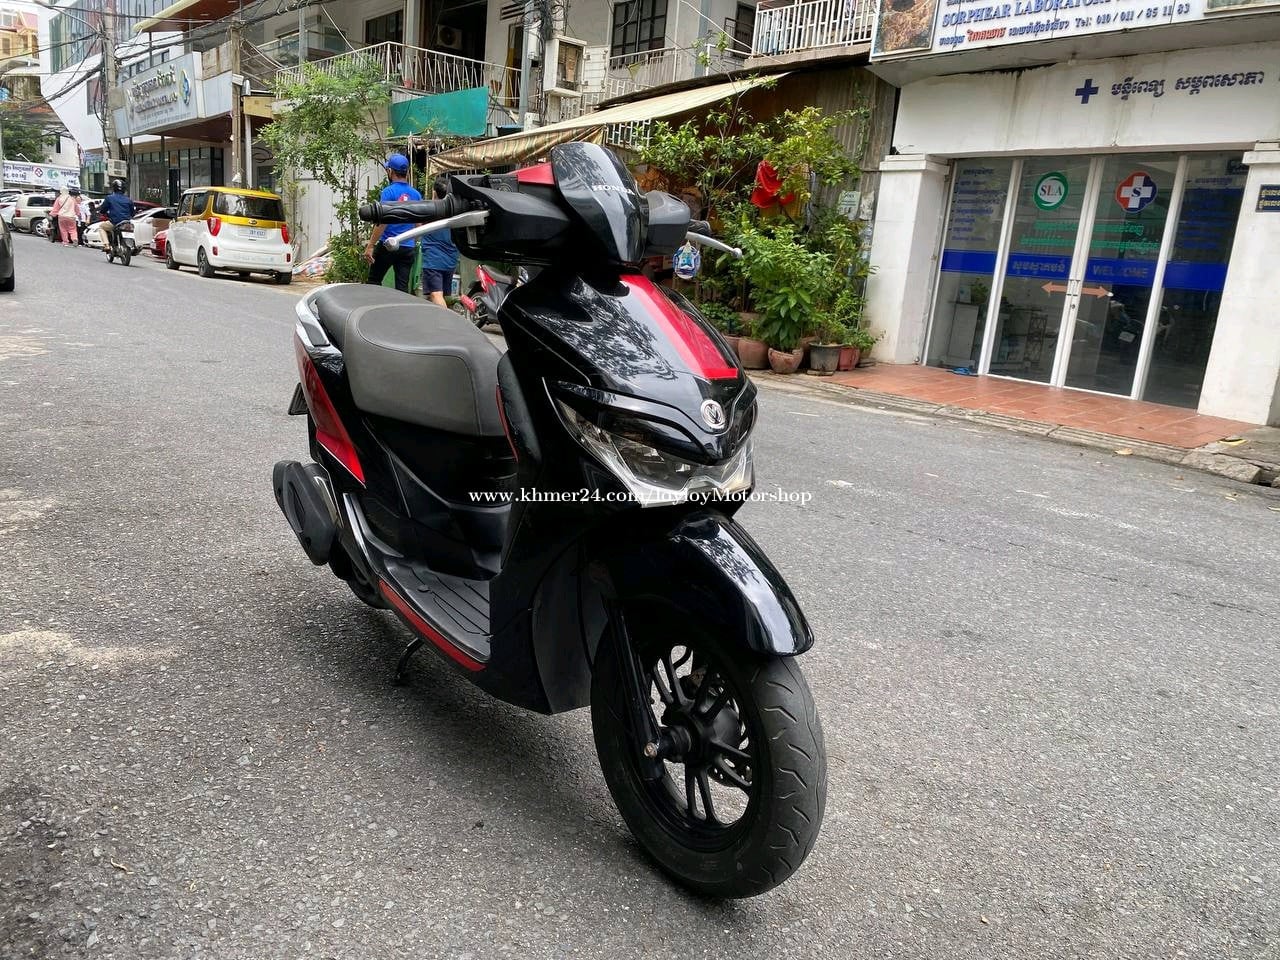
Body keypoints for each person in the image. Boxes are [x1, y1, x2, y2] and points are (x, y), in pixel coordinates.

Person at [364, 154, 421, 293]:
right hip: (407, 247)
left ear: (390, 171)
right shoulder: (416, 194)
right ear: (407, 172)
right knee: (402, 288)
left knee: (374, 281)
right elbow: (418, 226)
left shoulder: (388, 192)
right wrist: (412, 243)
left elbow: (382, 222)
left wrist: (370, 245)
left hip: (388, 245)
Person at [420, 179, 460, 308]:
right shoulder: (456, 209)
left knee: (435, 295)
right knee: (439, 296)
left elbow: (419, 226)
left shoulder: (430, 210)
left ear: (435, 192)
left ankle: (446, 319)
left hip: (434, 259)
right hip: (451, 259)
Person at [97, 180, 137, 253]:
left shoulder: (109, 198)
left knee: (101, 227)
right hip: (127, 222)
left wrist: (103, 213)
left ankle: (106, 245)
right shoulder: (128, 200)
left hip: (115, 222)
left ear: (114, 188)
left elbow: (103, 210)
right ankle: (134, 246)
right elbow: (133, 213)